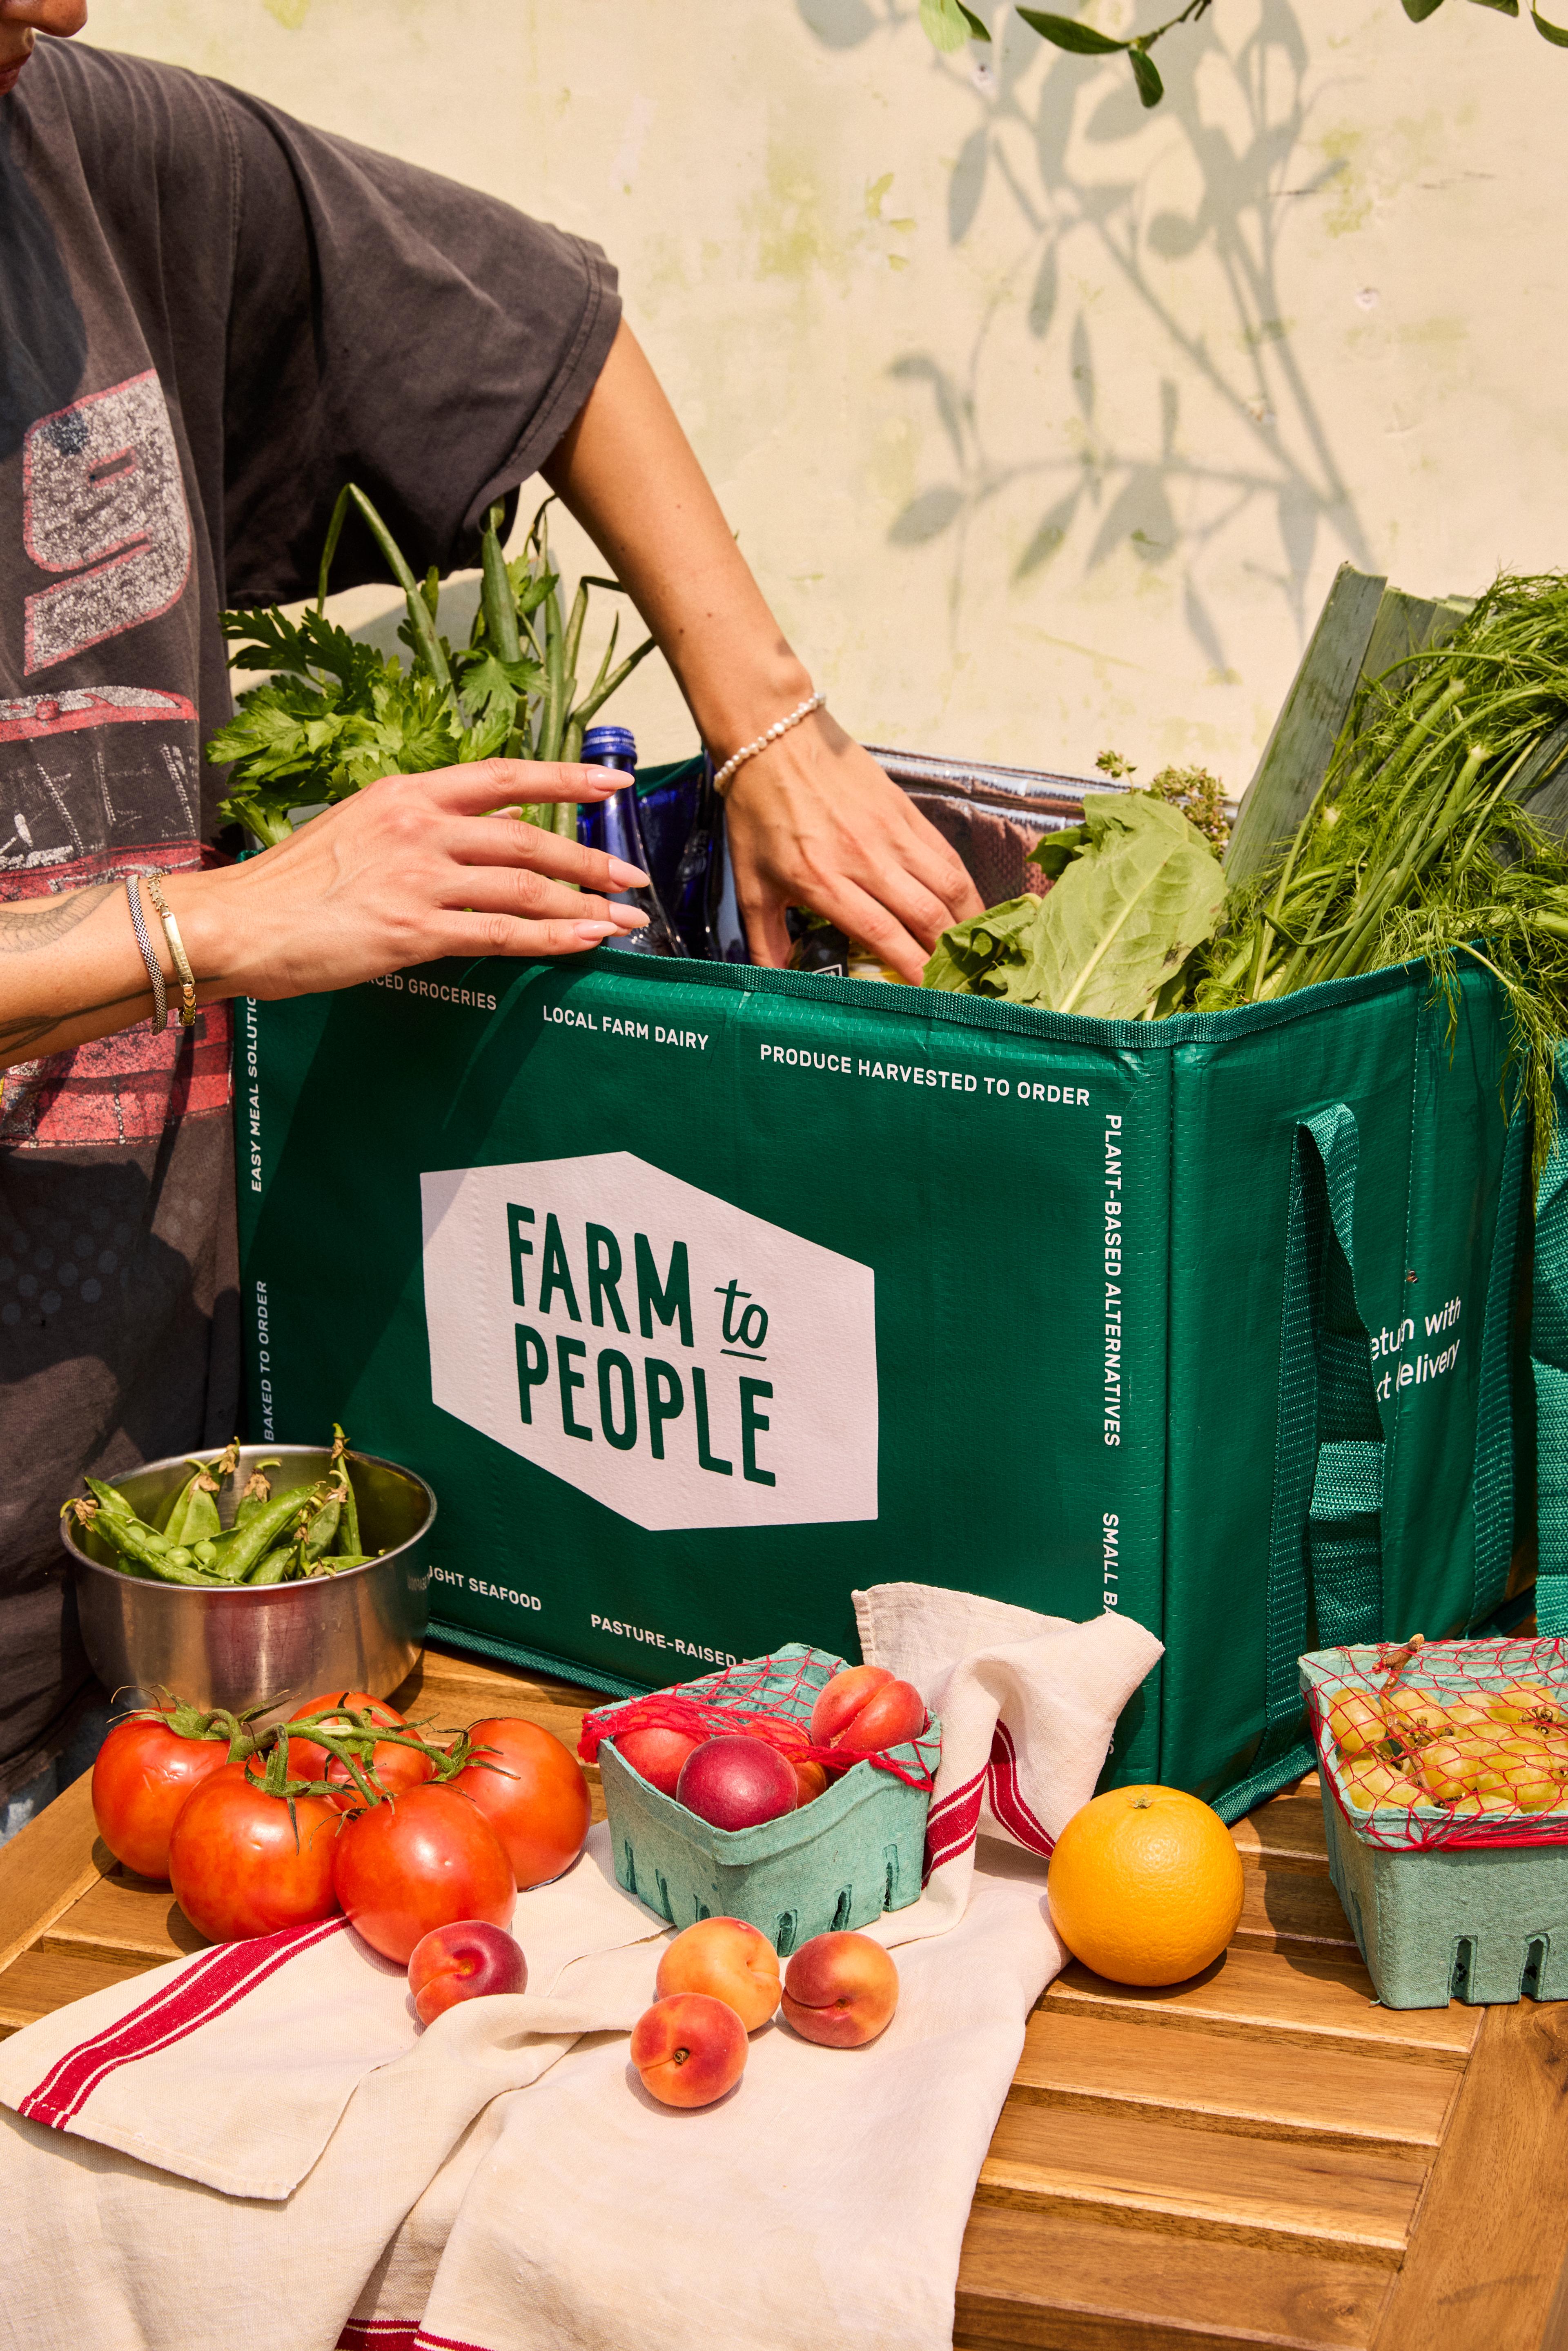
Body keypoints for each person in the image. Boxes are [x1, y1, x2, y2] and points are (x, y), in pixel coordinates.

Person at [0, 3, 981, 1833]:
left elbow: (536, 326)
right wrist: (206, 929)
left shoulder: (79, 146)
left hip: (168, 1578)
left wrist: (765, 719)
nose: (63, 6)